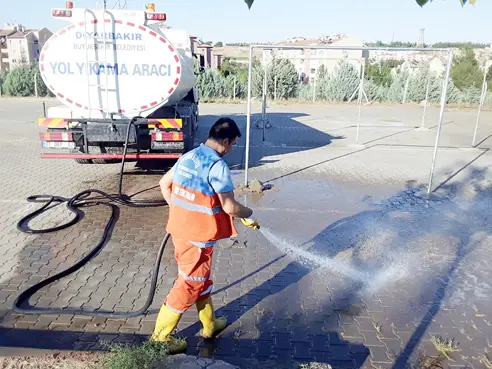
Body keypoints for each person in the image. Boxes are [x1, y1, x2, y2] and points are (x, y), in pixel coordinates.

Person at [152, 117, 259, 353]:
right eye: (231, 145)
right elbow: (229, 206)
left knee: (202, 280)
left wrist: (178, 212)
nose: (231, 149)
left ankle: (210, 325)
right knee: (189, 285)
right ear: (225, 140)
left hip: (182, 232)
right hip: (196, 239)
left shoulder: (188, 156)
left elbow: (163, 184)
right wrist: (249, 213)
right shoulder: (217, 166)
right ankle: (160, 338)